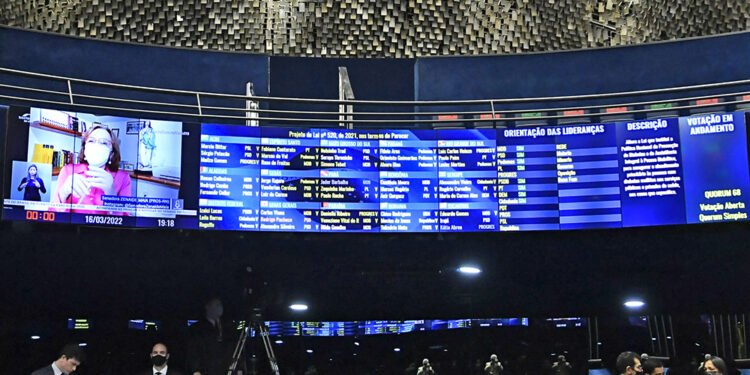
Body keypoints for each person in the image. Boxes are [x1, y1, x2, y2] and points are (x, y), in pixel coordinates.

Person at [52, 124, 131, 214]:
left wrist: (113, 196)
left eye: (104, 143)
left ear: (111, 154)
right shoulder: (68, 171)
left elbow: (126, 222)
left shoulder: (123, 178)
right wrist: (63, 192)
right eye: (91, 141)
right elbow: (52, 214)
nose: (96, 146)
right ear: (84, 150)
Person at [187, 297, 241, 375]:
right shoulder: (197, 328)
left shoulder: (229, 327)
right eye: (216, 305)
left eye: (220, 305)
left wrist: (239, 368)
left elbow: (236, 347)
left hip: (227, 370)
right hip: (206, 369)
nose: (219, 308)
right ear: (207, 307)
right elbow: (193, 350)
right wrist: (195, 370)